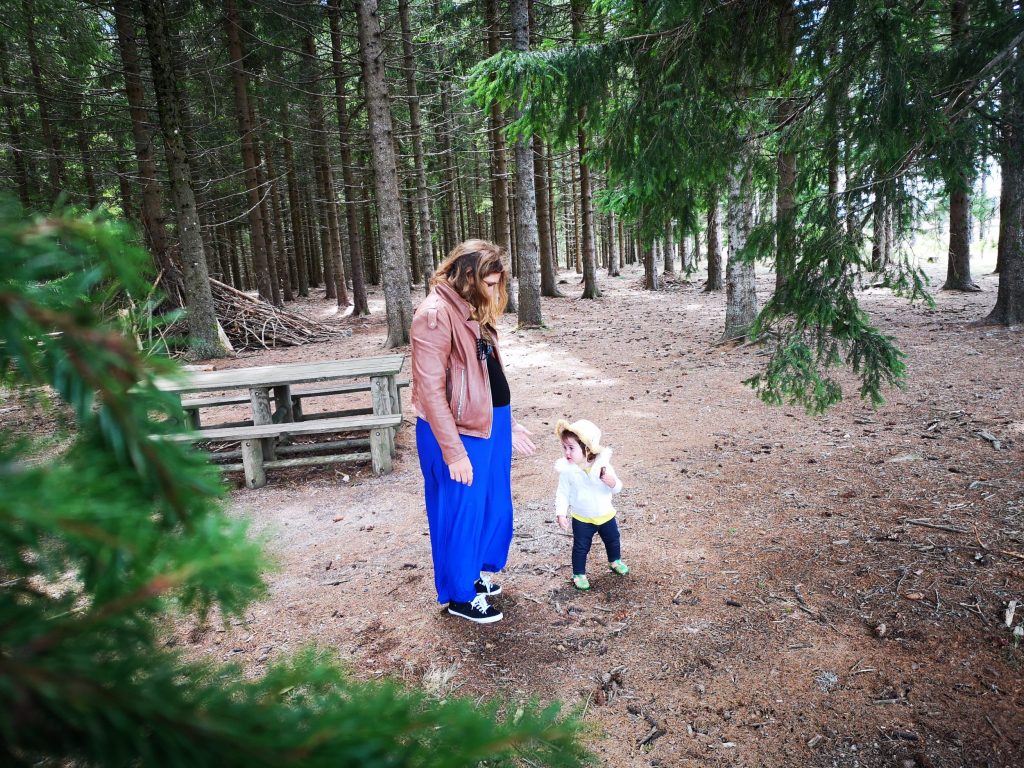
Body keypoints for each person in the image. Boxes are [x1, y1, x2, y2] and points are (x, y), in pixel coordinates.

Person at [410, 240, 536, 623]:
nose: (494, 292)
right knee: (461, 511)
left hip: (488, 425)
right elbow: (430, 392)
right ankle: (460, 596)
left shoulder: (467, 308)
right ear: (467, 275)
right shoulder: (433, 315)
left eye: (497, 284)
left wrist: (507, 422)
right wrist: (453, 452)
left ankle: (472, 575)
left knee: (489, 505)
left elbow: (484, 372)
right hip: (456, 432)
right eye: (490, 283)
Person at [553, 418, 628, 590]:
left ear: (587, 448)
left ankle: (615, 561)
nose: (567, 452)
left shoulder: (603, 466)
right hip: (582, 517)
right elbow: (562, 493)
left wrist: (612, 483)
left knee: (613, 539)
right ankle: (579, 573)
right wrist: (561, 513)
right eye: (564, 447)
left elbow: (617, 487)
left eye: (571, 448)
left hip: (605, 514)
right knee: (580, 547)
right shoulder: (567, 471)